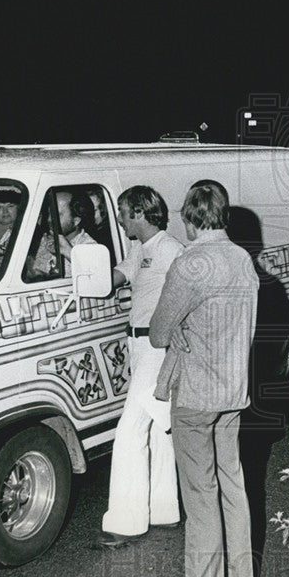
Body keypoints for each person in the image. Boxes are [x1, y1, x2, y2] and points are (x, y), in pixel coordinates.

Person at [148, 180, 258, 577]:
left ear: (191, 217)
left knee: (200, 501)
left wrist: (178, 333)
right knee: (233, 485)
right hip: (234, 393)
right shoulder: (242, 258)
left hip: (195, 395)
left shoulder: (191, 263)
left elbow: (157, 331)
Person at [94, 186, 185, 549]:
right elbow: (109, 280)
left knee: (130, 429)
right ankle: (164, 510)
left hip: (157, 346)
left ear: (140, 213)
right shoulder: (140, 249)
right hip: (137, 345)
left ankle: (125, 522)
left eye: (122, 212)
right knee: (157, 432)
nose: (118, 218)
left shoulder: (171, 250)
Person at [27, 190, 97, 278]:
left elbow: (97, 279)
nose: (49, 219)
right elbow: (36, 272)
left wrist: (68, 252)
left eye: (57, 215)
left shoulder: (89, 247)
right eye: (49, 213)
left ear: (76, 221)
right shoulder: (47, 239)